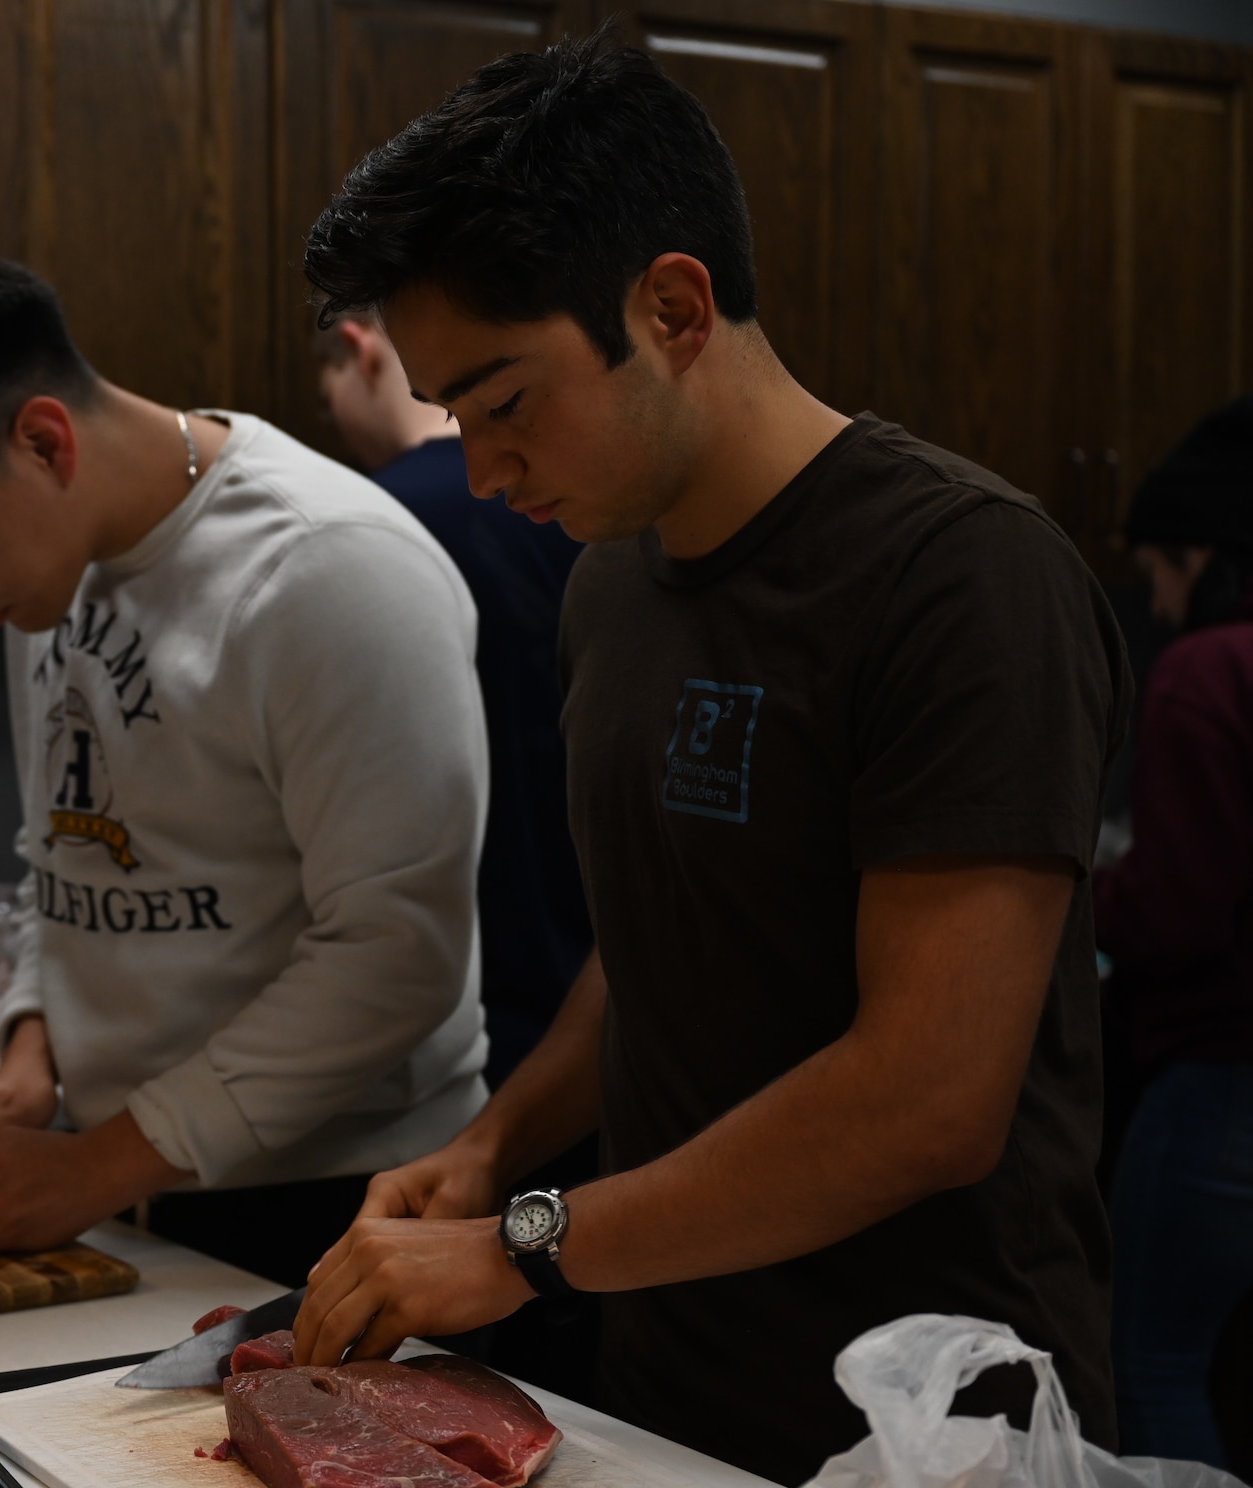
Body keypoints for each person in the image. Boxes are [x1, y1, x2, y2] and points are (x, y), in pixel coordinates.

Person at [290, 30, 1132, 1485]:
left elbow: (927, 1098)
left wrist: (529, 1241)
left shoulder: (962, 573)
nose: (480, 471)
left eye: (504, 404)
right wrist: (501, 1145)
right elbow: (665, 941)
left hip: (930, 1423)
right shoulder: (615, 578)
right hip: (669, 1385)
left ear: (673, 306)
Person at [0, 249, 491, 1287]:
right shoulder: (46, 571)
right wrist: (32, 1056)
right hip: (125, 1190)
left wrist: (92, 1169)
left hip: (344, 1209)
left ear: (43, 440)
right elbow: (67, 864)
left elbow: (395, 957)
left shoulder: (330, 570)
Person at [314, 313, 593, 1089]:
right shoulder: (606, 515)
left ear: (360, 350)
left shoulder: (345, 533)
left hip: (440, 1039)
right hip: (611, 1015)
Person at [1094, 394, 1253, 1467]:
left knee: (1150, 1365)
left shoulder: (1206, 671)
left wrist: (1067, 896)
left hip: (1217, 1082)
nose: (1154, 598)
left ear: (1202, 550)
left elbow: (1177, 910)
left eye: (1155, 567)